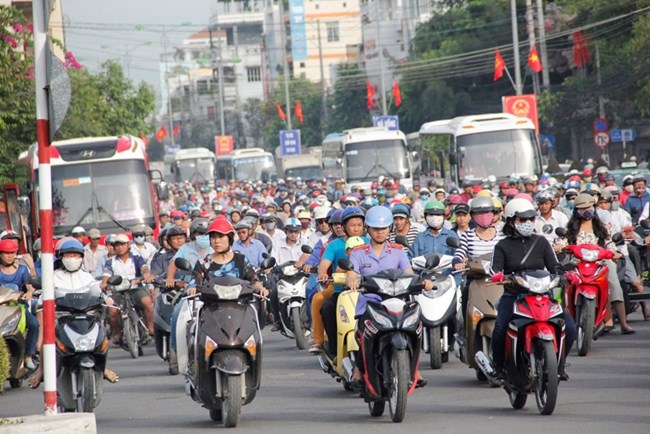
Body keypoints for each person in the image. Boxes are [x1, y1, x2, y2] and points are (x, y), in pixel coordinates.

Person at [345, 206, 432, 387]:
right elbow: (351, 273)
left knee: (415, 328)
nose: (379, 232)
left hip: (397, 303)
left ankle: (414, 369)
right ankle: (358, 370)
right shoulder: (358, 251)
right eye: (375, 228)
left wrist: (422, 282)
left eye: (383, 228)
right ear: (368, 229)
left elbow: (408, 273)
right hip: (370, 305)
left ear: (390, 229)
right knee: (361, 333)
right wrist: (352, 280)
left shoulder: (398, 250)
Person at [491, 198, 576, 381]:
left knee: (569, 328)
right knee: (500, 328)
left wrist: (566, 273)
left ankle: (558, 365)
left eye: (531, 219)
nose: (528, 223)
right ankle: (498, 367)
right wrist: (498, 276)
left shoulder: (541, 242)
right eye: (523, 220)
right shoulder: (502, 246)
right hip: (513, 295)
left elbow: (554, 266)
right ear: (511, 221)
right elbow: (495, 269)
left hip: (542, 295)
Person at [29, 239, 119, 388]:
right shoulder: (53, 276)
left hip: (85, 316)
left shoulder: (86, 276)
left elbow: (96, 290)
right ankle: (41, 371)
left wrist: (106, 298)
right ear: (61, 257)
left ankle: (102, 368)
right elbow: (43, 295)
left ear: (81, 258)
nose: (72, 259)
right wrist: (41, 303)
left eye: (76, 255)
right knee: (48, 339)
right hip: (61, 317)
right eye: (68, 255)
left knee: (100, 335)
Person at [563, 193, 636, 334]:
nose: (586, 210)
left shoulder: (602, 228)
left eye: (589, 207)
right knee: (562, 284)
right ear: (576, 211)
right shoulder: (571, 229)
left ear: (594, 208)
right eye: (581, 208)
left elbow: (609, 243)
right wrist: (559, 246)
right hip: (578, 263)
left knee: (614, 285)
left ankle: (623, 323)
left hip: (600, 262)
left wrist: (614, 253)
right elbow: (563, 242)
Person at [315, 207, 367, 354]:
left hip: (369, 291)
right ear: (344, 227)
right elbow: (324, 264)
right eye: (352, 225)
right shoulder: (333, 245)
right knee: (327, 309)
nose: (356, 229)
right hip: (342, 292)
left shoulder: (370, 242)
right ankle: (334, 347)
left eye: (359, 225)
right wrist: (323, 273)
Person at [452, 196, 506, 323]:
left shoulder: (503, 234)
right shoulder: (467, 235)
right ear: (472, 215)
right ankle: (467, 334)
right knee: (465, 296)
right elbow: (459, 252)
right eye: (479, 213)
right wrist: (457, 263)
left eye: (487, 212)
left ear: (493, 214)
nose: (483, 216)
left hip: (500, 281)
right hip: (475, 281)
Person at [187, 218, 269, 298]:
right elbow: (194, 282)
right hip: (211, 308)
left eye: (221, 236)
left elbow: (253, 281)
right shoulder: (203, 263)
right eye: (213, 237)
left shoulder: (241, 259)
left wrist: (261, 289)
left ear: (230, 238)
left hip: (240, 307)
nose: (216, 241)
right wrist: (191, 289)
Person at [100, 234, 155, 344]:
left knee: (147, 302)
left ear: (128, 245)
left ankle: (151, 327)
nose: (120, 247)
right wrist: (104, 283)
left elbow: (144, 268)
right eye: (117, 245)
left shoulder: (136, 258)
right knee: (112, 310)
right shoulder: (110, 262)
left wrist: (146, 275)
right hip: (118, 291)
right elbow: (106, 276)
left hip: (135, 289)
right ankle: (118, 333)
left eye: (122, 244)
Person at [0, 239, 38, 370]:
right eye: (6, 253)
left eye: (12, 252)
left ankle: (29, 355)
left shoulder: (22, 270)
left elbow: (30, 286)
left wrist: (29, 293)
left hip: (18, 307)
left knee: (34, 324)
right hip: (1, 308)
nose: (9, 255)